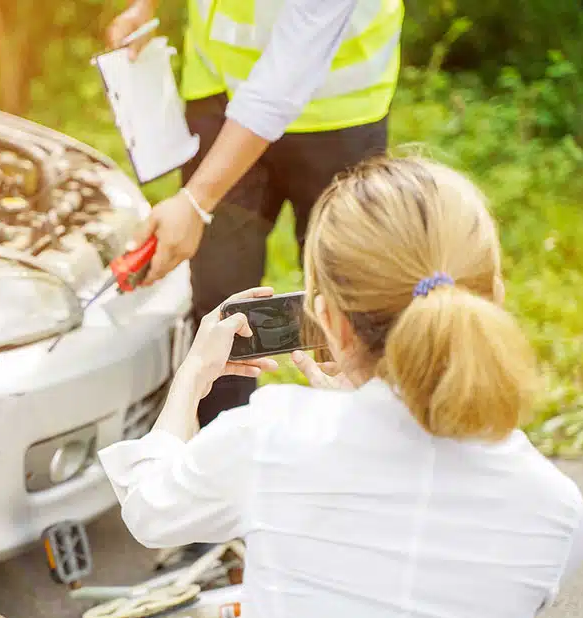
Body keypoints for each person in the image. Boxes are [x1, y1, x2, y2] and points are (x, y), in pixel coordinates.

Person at [97, 157, 583, 618]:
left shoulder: (270, 437)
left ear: (328, 318)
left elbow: (150, 510)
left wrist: (193, 378)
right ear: (494, 298)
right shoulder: (558, 512)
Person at [107, 0, 404, 428]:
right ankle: (217, 448)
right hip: (220, 95)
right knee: (220, 301)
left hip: (339, 116)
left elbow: (280, 82)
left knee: (350, 305)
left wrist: (195, 202)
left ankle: (356, 446)